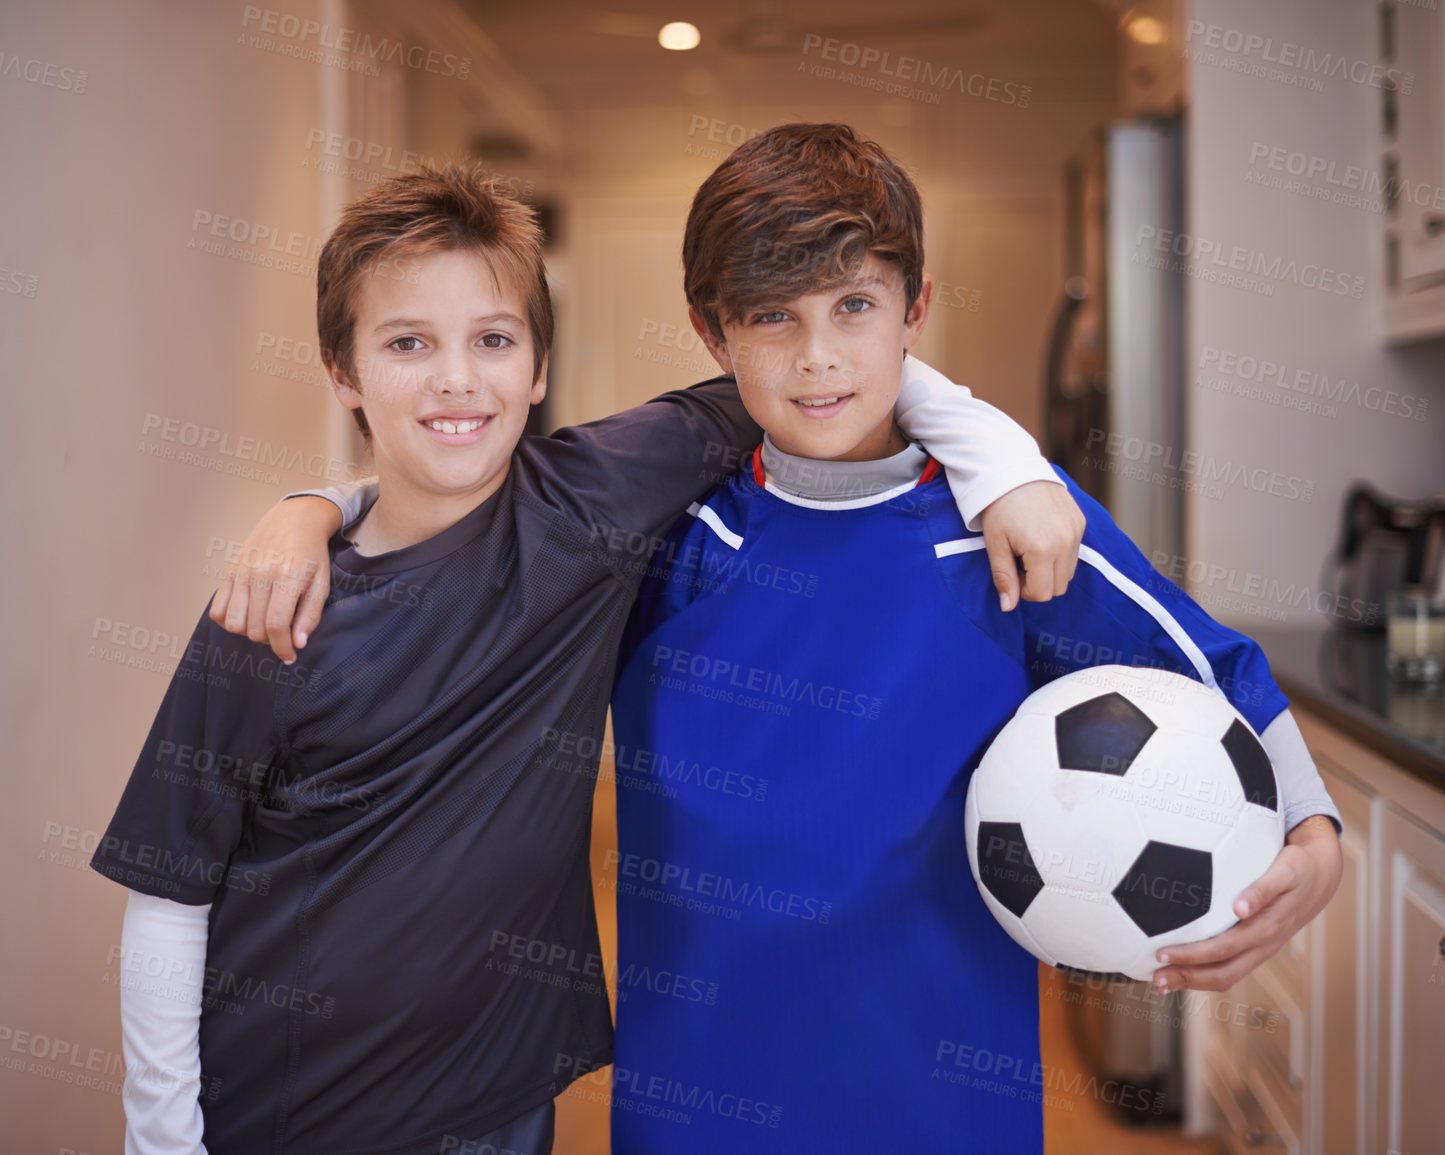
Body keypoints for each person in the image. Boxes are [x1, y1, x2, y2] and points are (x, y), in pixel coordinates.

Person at [96, 163, 1085, 1155]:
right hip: (280, 1109)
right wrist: (160, 1141)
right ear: (343, 373)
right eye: (407, 345)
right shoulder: (273, 609)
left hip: (499, 1105)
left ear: (537, 366)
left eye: (492, 340)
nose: (454, 379)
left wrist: (1004, 460)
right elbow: (170, 893)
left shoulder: (589, 503)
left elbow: (817, 364)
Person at [596, 123, 1345, 1153]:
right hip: (695, 1098)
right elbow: (469, 538)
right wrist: (319, 509)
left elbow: (1213, 666)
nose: (817, 356)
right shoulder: (664, 536)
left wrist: (1316, 834)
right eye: (773, 317)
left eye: (854, 306)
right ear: (713, 334)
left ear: (917, 310)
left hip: (942, 1104)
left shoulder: (1013, 525)